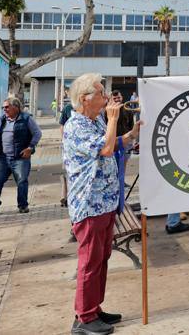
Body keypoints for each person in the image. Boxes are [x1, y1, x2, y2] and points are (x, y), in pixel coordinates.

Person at [63, 73, 141, 335]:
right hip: (89, 203)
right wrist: (114, 119)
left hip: (104, 202)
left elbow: (111, 143)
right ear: (85, 98)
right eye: (100, 93)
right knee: (90, 261)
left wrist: (130, 134)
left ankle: (94, 308)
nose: (106, 98)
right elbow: (105, 149)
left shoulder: (94, 120)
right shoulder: (77, 126)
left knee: (102, 258)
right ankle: (84, 318)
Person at [0, 95, 41, 216]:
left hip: (20, 158)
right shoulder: (2, 119)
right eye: (3, 107)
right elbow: (0, 135)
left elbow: (37, 133)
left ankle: (23, 206)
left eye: (6, 107)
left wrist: (30, 148)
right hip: (3, 158)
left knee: (22, 181)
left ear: (16, 107)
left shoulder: (26, 119)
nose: (4, 109)